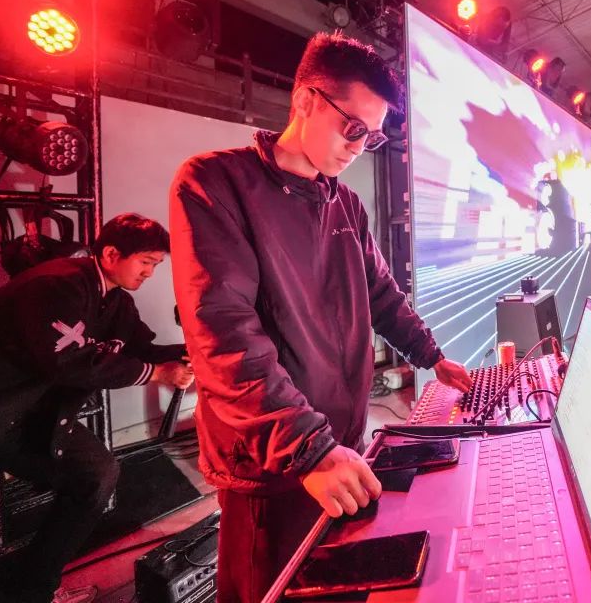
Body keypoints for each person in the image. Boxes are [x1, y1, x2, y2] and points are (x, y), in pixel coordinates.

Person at [169, 32, 474, 603]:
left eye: (372, 136)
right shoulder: (215, 182)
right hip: (272, 458)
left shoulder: (346, 204)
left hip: (337, 443)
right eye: (353, 128)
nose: (360, 147)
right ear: (306, 100)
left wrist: (432, 356)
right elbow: (225, 334)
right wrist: (306, 447)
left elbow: (382, 295)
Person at [0, 213, 194, 603]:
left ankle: (32, 590)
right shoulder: (58, 284)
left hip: (17, 415)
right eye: (145, 262)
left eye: (155, 265)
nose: (149, 273)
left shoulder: (117, 303)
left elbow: (142, 350)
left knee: (94, 476)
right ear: (111, 254)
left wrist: (196, 352)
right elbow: (68, 361)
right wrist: (158, 373)